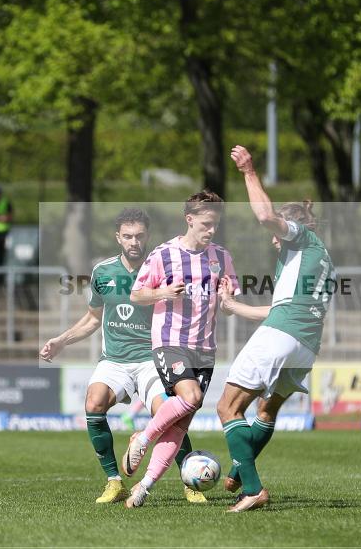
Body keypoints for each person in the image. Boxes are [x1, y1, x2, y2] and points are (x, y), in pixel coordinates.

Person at [38, 208, 207, 504]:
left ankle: (190, 481)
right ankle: (114, 482)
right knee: (93, 403)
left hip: (152, 358)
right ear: (118, 238)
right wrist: (61, 341)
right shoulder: (103, 272)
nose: (134, 241)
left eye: (139, 235)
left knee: (167, 412)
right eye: (127, 236)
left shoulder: (163, 269)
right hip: (114, 360)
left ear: (148, 237)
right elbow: (92, 319)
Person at [214, 144, 336, 512]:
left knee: (226, 408)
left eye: (278, 231)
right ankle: (240, 467)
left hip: (283, 336)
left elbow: (266, 216)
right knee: (266, 411)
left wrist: (249, 171)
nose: (272, 238)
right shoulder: (321, 260)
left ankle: (253, 489)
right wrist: (235, 307)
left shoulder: (302, 239)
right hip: (305, 345)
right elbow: (285, 309)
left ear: (293, 225)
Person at [121, 191, 240, 508]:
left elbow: (228, 306)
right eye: (205, 224)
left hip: (205, 349)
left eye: (214, 224)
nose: (211, 230)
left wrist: (228, 300)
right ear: (189, 220)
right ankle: (143, 438)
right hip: (170, 342)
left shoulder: (221, 258)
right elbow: (136, 294)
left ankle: (142, 488)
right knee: (192, 398)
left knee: (179, 424)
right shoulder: (163, 254)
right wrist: (162, 291)